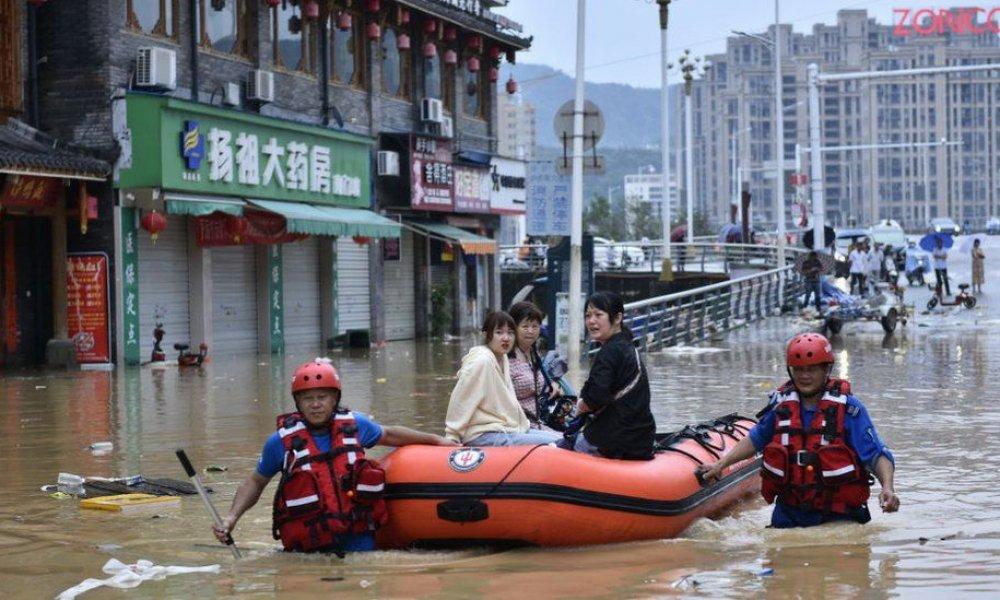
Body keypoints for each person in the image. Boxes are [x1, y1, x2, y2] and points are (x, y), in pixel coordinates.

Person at [212, 359, 456, 554]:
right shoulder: (280, 442)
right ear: (298, 402)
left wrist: (437, 441)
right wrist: (231, 518)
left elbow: (391, 435)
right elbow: (256, 481)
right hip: (308, 552)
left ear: (335, 399)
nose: (315, 404)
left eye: (322, 397)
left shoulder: (355, 425)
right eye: (308, 398)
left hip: (359, 544)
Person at [700, 333, 899, 528]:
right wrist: (720, 464)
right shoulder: (781, 407)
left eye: (812, 369)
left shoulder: (849, 409)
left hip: (839, 516)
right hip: (789, 514)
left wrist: (887, 488)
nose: (804, 376)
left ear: (826, 369)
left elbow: (877, 454)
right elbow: (756, 439)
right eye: (799, 369)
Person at [445, 311, 563, 446]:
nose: (506, 338)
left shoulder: (502, 357)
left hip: (506, 428)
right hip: (483, 434)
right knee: (558, 443)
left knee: (562, 438)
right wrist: (452, 435)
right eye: (499, 332)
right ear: (486, 335)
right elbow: (461, 399)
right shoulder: (481, 361)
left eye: (510, 333)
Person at [566, 292, 656, 459]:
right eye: (588, 315)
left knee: (561, 449)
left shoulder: (610, 351)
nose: (591, 321)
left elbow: (595, 397)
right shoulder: (627, 346)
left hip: (612, 440)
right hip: (640, 439)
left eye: (598, 315)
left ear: (617, 318)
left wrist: (579, 406)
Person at [508, 301, 559, 430]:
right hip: (519, 425)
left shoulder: (534, 353)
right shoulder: (505, 359)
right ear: (513, 328)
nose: (530, 331)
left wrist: (551, 384)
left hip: (539, 420)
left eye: (535, 326)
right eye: (525, 326)